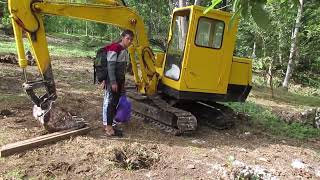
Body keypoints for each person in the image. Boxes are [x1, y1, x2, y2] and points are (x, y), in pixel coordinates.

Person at [102, 29, 134, 136]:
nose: (129, 41)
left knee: (115, 103)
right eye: (127, 38)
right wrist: (113, 82)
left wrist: (122, 84)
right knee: (111, 103)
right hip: (113, 81)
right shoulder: (115, 48)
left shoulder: (124, 50)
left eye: (131, 39)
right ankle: (108, 128)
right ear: (122, 38)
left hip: (119, 81)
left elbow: (122, 70)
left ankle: (111, 124)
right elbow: (111, 67)